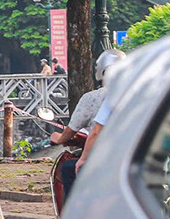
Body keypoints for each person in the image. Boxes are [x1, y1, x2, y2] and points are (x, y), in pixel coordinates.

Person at [50, 49, 124, 202]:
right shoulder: (137, 93)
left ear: (101, 72)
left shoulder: (95, 97)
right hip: (133, 157)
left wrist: (80, 157)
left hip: (106, 159)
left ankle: (75, 216)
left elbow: (94, 132)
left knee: (69, 168)